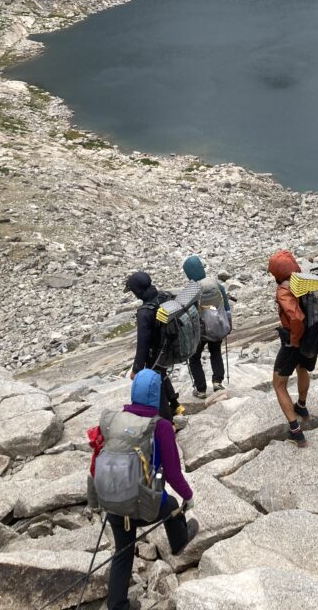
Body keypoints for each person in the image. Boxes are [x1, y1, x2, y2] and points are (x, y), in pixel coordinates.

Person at [103, 369, 198, 610]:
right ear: (156, 396)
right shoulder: (161, 427)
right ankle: (179, 542)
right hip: (144, 507)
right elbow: (174, 475)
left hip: (113, 504)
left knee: (122, 554)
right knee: (172, 504)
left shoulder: (116, 420)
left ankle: (118, 606)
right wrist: (188, 496)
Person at [268, 249, 313, 448]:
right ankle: (301, 407)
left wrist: (294, 339)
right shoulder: (303, 281)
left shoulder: (283, 289)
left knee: (278, 384)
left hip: (294, 340)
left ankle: (296, 432)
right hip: (311, 337)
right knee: (302, 369)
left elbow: (296, 317)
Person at [126, 271, 180, 421]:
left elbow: (142, 343)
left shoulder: (144, 313)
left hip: (155, 353)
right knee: (162, 375)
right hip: (169, 347)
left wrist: (136, 369)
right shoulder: (164, 295)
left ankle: (168, 422)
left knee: (156, 385)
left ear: (137, 292)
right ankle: (176, 405)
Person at [182, 254, 232, 398]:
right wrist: (228, 324)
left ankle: (201, 389)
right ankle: (217, 382)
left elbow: (186, 310)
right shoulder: (216, 284)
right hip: (217, 326)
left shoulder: (192, 289)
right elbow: (227, 307)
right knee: (215, 352)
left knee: (194, 357)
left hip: (199, 331)